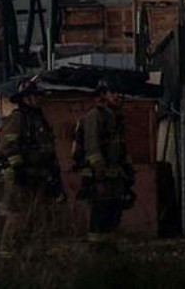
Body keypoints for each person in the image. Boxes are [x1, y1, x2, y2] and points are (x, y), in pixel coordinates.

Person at [0, 75, 61, 258]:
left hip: (38, 177)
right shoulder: (18, 118)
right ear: (25, 97)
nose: (38, 98)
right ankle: (8, 257)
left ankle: (35, 256)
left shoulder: (39, 119)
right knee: (18, 216)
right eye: (34, 95)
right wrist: (18, 169)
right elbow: (8, 146)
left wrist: (54, 174)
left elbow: (48, 148)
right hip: (21, 178)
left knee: (39, 216)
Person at [77, 79, 135, 247]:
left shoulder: (117, 117)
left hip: (116, 175)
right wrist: (100, 173)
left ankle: (109, 249)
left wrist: (128, 170)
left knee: (114, 213)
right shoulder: (95, 115)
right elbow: (92, 146)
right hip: (100, 176)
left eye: (119, 93)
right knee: (100, 213)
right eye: (113, 92)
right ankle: (97, 250)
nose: (117, 96)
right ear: (103, 94)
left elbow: (122, 147)